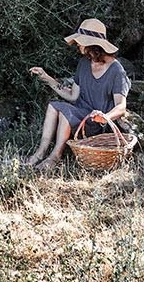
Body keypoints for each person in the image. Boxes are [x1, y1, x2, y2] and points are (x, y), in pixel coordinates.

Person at [23, 17, 130, 171]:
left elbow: (121, 107)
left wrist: (105, 117)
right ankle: (39, 154)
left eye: (81, 41)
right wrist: (46, 77)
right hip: (79, 117)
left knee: (66, 112)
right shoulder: (84, 63)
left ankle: (55, 156)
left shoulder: (116, 70)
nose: (78, 44)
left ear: (93, 44)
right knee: (54, 106)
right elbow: (73, 96)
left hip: (95, 123)